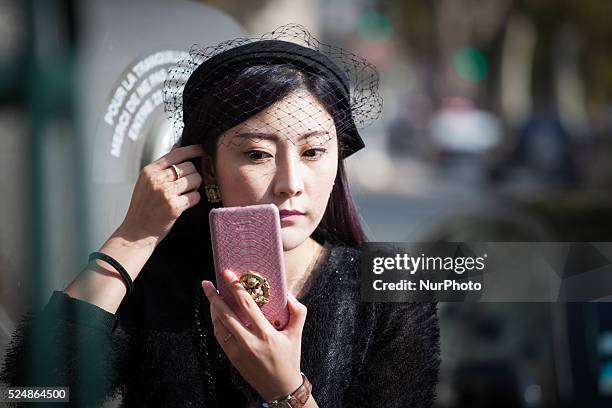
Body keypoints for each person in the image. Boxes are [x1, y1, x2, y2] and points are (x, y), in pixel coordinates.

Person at [0, 25, 440, 407]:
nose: (290, 181)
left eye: (312, 152)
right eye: (256, 153)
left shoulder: (392, 296)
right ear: (208, 168)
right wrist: (133, 237)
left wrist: (287, 392)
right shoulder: (159, 281)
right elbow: (34, 393)